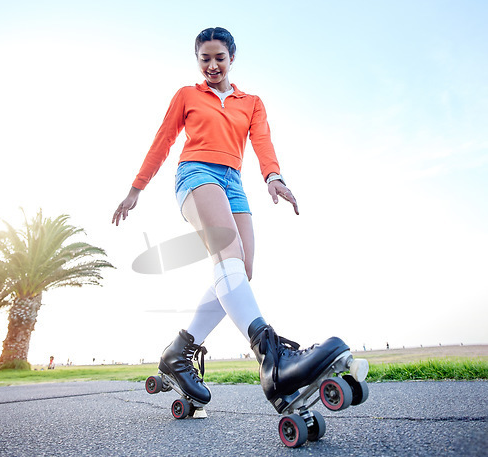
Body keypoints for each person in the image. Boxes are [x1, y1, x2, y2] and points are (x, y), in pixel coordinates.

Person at [112, 27, 349, 411]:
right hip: (196, 173)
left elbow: (262, 142)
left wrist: (274, 177)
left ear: (232, 58)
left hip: (233, 182)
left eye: (219, 57)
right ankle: (271, 357)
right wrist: (136, 188)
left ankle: (178, 352)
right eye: (204, 58)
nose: (211, 65)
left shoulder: (250, 102)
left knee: (241, 269)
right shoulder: (187, 95)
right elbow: (163, 139)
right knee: (227, 251)